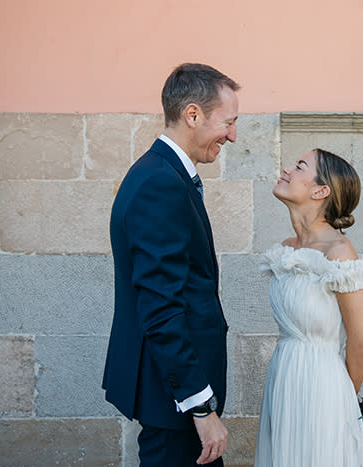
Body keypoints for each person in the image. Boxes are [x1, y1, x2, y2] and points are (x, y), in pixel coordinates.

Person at [102, 63, 240, 466]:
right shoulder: (160, 183)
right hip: (177, 400)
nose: (232, 135)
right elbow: (161, 305)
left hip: (179, 398)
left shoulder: (164, 174)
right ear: (192, 114)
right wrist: (200, 406)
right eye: (228, 122)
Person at [254, 148, 363, 466]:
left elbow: (361, 344)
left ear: (320, 190)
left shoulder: (339, 252)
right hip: (283, 378)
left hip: (322, 388)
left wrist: (341, 403)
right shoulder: (286, 250)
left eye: (299, 166)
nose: (286, 169)